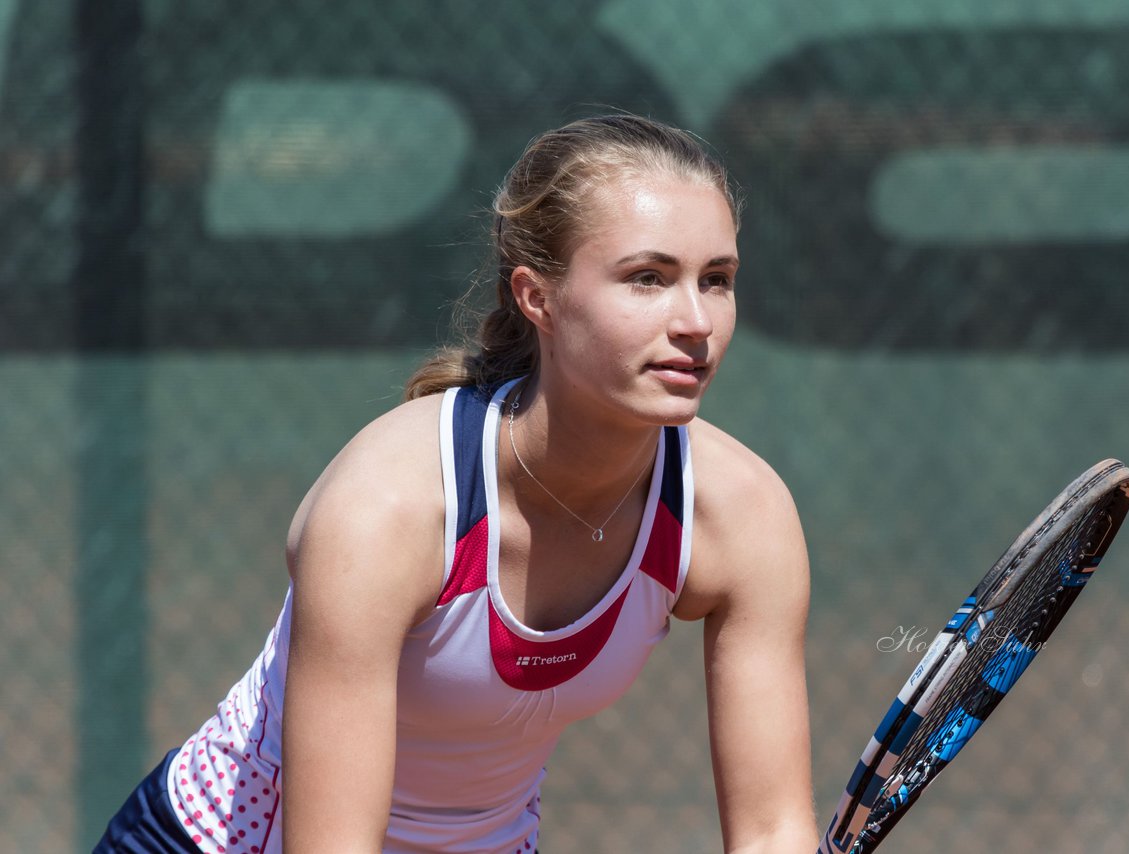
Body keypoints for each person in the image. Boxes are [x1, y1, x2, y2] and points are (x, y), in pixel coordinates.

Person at [95, 114, 817, 853]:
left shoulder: (741, 516)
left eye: (717, 281)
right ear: (537, 298)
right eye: (647, 279)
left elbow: (772, 832)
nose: (696, 321)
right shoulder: (388, 511)